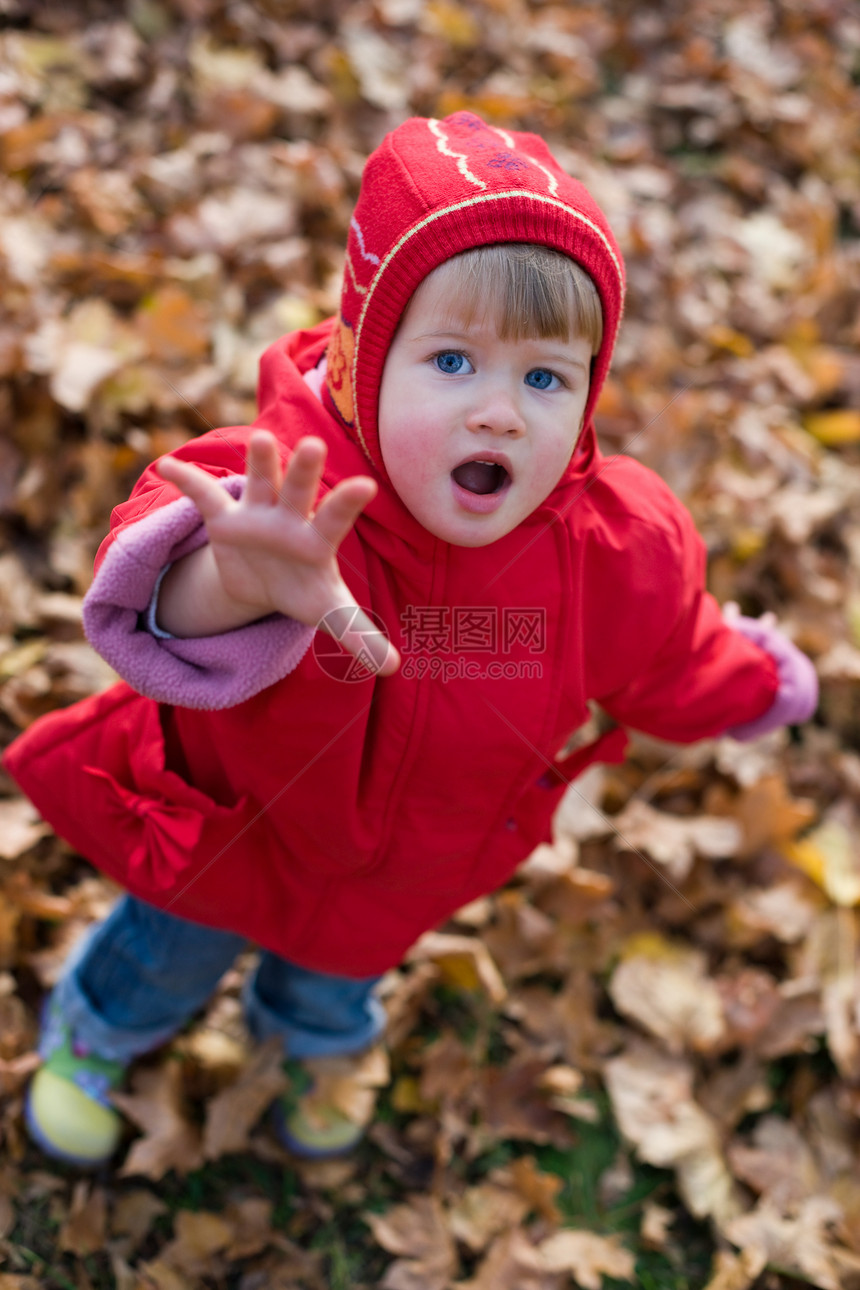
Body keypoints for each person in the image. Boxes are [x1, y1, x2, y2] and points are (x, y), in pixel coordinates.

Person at [4, 112, 818, 1167]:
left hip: (411, 863)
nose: (501, 414)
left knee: (335, 974)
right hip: (239, 821)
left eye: (543, 378)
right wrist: (239, 575)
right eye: (450, 361)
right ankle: (97, 1036)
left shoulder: (611, 547)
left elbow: (667, 648)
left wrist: (750, 682)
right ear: (362, 358)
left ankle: (307, 1046)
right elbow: (158, 603)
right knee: (165, 947)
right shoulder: (286, 493)